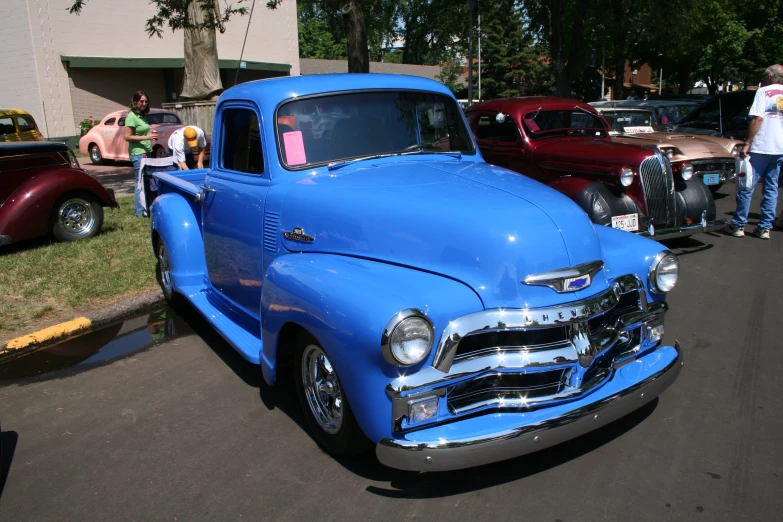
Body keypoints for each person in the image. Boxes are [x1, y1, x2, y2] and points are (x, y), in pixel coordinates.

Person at [731, 64, 783, 239]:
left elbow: (757, 118)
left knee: (746, 185)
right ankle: (764, 228)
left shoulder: (763, 92)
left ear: (769, 76)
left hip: (761, 146)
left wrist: (747, 143)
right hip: (779, 148)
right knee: (771, 188)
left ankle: (738, 225)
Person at [124, 91, 157, 217]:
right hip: (138, 154)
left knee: (146, 181)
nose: (143, 104)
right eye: (141, 101)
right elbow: (127, 137)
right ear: (135, 102)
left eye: (145, 101)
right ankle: (139, 211)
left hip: (146, 152)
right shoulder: (131, 116)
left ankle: (147, 208)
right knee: (140, 182)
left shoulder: (141, 116)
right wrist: (147, 137)